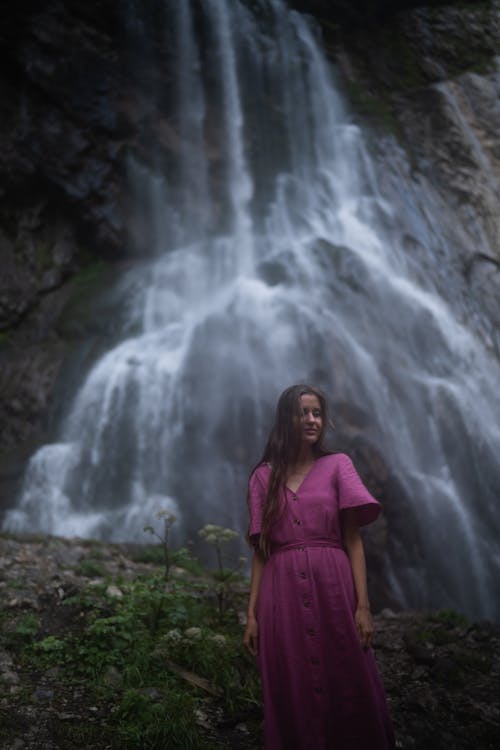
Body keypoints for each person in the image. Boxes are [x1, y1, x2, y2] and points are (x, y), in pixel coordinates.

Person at [243, 384, 395, 750]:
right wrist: (251, 615)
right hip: (280, 591)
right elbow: (262, 551)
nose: (311, 420)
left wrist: (363, 606)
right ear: (286, 419)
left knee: (348, 672)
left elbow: (353, 540)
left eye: (317, 413)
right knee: (289, 678)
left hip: (334, 584)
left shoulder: (338, 465)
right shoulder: (263, 477)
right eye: (302, 412)